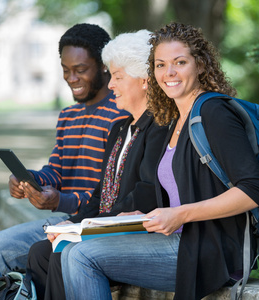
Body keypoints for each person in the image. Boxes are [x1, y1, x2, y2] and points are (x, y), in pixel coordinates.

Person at [59, 22, 259, 300]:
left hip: (211, 249)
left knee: (82, 255)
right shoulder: (176, 119)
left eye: (179, 62)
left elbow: (254, 190)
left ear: (201, 66)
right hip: (179, 239)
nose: (169, 73)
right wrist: (144, 215)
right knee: (70, 248)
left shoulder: (213, 112)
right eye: (160, 64)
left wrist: (181, 214)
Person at [0, 23, 129, 300]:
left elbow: (110, 196)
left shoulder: (121, 114)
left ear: (104, 66)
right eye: (66, 70)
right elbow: (55, 170)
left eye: (80, 69)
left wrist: (60, 201)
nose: (71, 78)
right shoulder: (68, 116)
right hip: (63, 219)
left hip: (94, 224)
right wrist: (30, 180)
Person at [26, 29, 169, 300]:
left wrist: (86, 227)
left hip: (131, 230)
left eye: (117, 77)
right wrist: (71, 224)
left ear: (144, 81)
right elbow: (100, 195)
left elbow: (145, 195)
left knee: (64, 250)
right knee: (41, 251)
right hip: (104, 224)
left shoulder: (160, 127)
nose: (110, 85)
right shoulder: (120, 128)